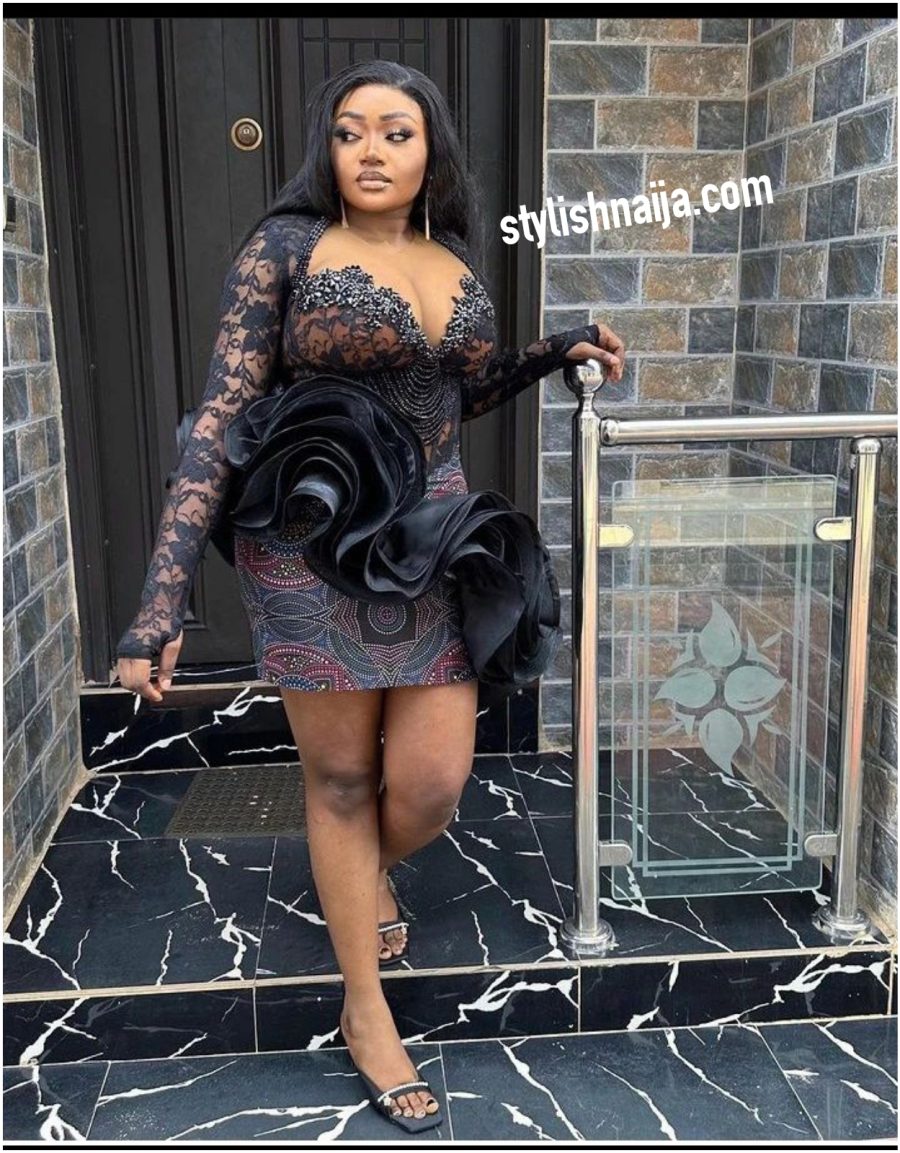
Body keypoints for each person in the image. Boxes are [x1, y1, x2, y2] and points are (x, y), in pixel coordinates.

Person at [115, 60, 625, 1133]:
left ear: (431, 148)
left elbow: (456, 388)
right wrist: (161, 601)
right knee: (343, 779)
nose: (372, 151)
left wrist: (551, 351)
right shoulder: (286, 249)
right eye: (350, 132)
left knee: (433, 782)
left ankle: (355, 875)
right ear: (328, 150)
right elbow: (220, 416)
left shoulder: (451, 255)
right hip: (314, 543)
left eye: (397, 131)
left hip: (434, 534)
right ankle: (365, 1008)